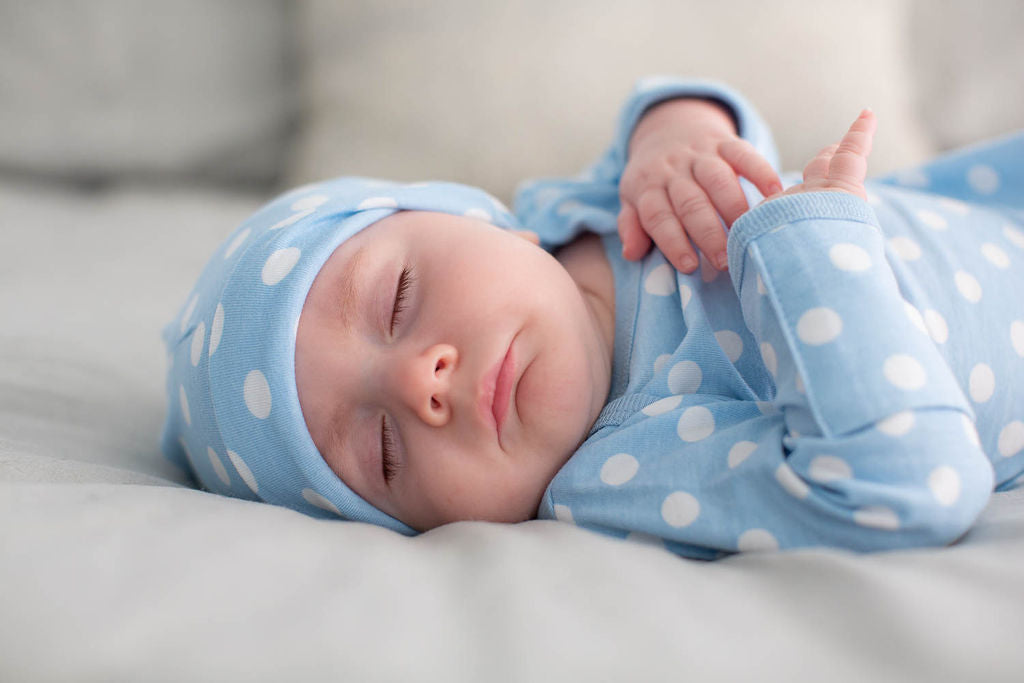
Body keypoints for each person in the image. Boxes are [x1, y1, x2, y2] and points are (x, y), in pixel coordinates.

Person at [161, 76, 1024, 560]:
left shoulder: (579, 210)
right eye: (382, 454)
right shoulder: (620, 470)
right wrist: (811, 249)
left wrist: (674, 140)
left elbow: (682, 103)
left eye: (397, 300)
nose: (421, 381)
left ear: (466, 213)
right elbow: (907, 484)